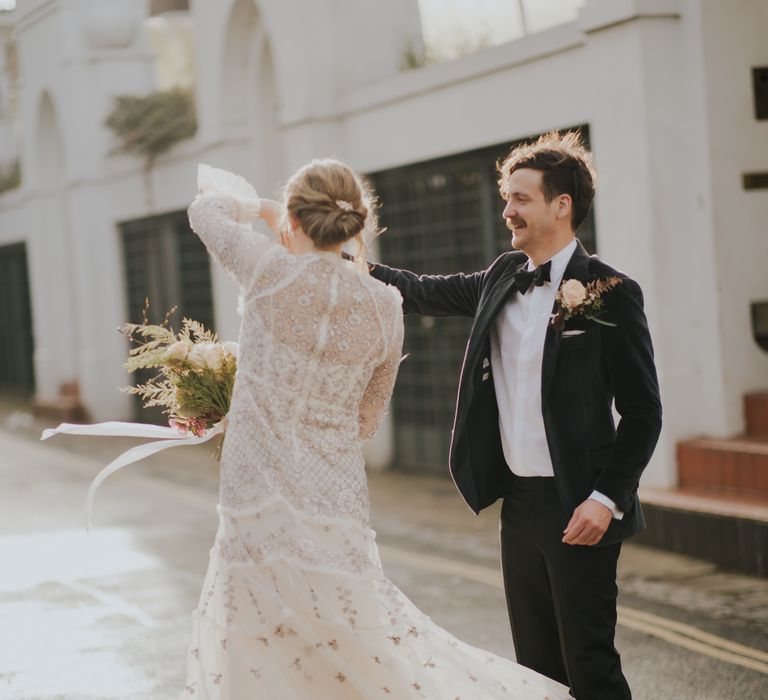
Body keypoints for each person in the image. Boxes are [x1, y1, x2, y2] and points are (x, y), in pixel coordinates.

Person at [183, 158, 570, 698]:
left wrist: (264, 210)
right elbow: (367, 418)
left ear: (296, 217)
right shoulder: (387, 305)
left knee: (263, 645)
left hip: (255, 500)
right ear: (357, 223)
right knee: (349, 644)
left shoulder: (268, 271)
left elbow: (205, 209)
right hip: (333, 500)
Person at [369, 132, 663, 700]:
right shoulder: (501, 276)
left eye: (520, 198)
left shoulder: (612, 292)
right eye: (507, 198)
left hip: (579, 504)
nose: (507, 211)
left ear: (562, 204)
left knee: (590, 665)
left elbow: (644, 411)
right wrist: (338, 261)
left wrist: (606, 500)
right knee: (535, 670)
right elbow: (419, 291)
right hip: (519, 504)